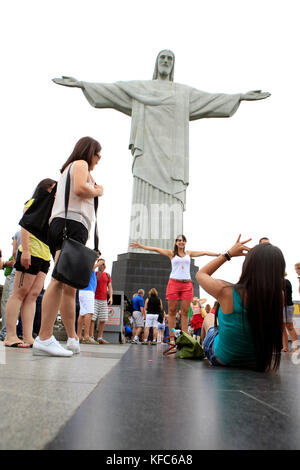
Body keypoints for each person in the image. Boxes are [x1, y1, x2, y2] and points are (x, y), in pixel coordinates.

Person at [53, 50, 270, 249]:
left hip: (173, 163)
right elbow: (113, 90)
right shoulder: (141, 89)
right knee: (143, 199)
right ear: (157, 63)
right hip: (147, 155)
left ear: (173, 65)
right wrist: (82, 84)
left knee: (170, 206)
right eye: (162, 58)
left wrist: (240, 97)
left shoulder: (183, 93)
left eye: (170, 58)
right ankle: (139, 246)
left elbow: (211, 99)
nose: (166, 61)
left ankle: (168, 248)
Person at [33, 136, 104, 357]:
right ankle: (44, 337)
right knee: (59, 280)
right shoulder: (81, 164)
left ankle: (72, 337)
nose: (98, 160)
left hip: (68, 224)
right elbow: (82, 189)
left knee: (68, 283)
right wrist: (98, 190)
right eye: (98, 155)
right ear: (89, 152)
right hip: (70, 224)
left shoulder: (71, 168)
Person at [197, 235, 285, 371]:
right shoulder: (279, 296)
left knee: (209, 317)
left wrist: (228, 254)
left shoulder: (226, 291)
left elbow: (201, 274)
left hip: (222, 358)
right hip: (256, 362)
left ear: (249, 266)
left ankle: (202, 351)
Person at [130, 236, 220, 342]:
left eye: (183, 240)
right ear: (176, 243)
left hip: (187, 284)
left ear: (185, 242)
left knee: (185, 312)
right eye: (179, 240)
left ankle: (185, 335)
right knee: (172, 311)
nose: (181, 242)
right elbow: (156, 249)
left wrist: (217, 255)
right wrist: (141, 246)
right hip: (174, 283)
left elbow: (204, 252)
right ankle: (172, 338)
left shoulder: (189, 253)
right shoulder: (171, 253)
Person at [4, 179, 56, 348]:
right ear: (46, 188)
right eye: (55, 188)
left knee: (33, 296)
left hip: (44, 256)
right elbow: (25, 226)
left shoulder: (51, 210)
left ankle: (28, 336)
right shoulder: (33, 202)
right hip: (30, 252)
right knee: (19, 293)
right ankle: (10, 335)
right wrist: (25, 251)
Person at [78, 253, 102, 344]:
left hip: (84, 290)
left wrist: (100, 269)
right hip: (88, 291)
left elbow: (94, 277)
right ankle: (86, 336)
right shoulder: (88, 263)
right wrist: (99, 263)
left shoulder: (84, 263)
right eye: (96, 256)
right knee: (89, 313)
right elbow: (90, 268)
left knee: (82, 313)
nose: (97, 257)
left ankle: (79, 336)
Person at [90, 258, 113, 344]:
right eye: (102, 264)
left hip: (103, 300)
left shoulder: (107, 275)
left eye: (104, 264)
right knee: (92, 319)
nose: (103, 265)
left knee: (103, 319)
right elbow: (96, 279)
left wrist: (111, 297)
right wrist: (99, 270)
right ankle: (91, 336)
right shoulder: (95, 273)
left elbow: (110, 287)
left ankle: (100, 337)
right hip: (95, 299)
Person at [282, 275, 298, 352]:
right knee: (282, 328)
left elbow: (283, 295)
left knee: (289, 327)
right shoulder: (284, 281)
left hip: (287, 306)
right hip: (285, 306)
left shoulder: (285, 282)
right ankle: (285, 347)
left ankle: (295, 348)